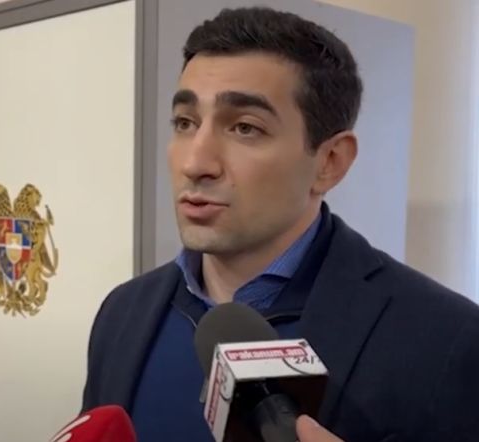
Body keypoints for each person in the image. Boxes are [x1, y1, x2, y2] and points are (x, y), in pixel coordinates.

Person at [81, 6, 479, 442]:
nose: (195, 163)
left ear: (329, 162)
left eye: (245, 128)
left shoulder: (446, 340)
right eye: (185, 122)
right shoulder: (122, 314)